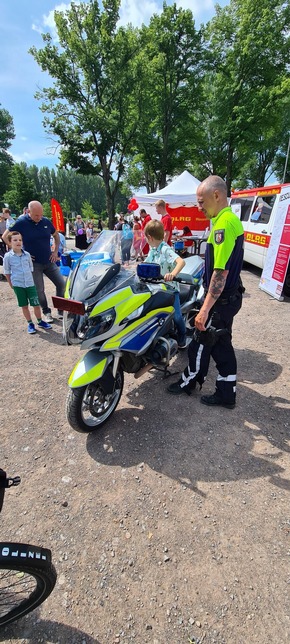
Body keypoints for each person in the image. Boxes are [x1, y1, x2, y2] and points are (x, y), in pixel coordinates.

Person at [167, 175, 244, 408]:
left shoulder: (223, 225)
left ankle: (189, 382)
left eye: (201, 201)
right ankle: (226, 392)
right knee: (222, 344)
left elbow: (220, 274)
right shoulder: (229, 219)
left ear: (217, 195)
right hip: (229, 297)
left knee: (200, 342)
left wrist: (205, 310)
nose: (198, 207)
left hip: (220, 300)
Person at [2, 200, 65, 323]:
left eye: (41, 214)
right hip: (33, 264)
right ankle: (46, 312)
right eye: (36, 215)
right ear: (28, 211)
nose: (39, 217)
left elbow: (56, 235)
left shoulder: (45, 221)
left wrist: (55, 251)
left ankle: (61, 310)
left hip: (49, 260)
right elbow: (5, 236)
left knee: (61, 284)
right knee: (39, 290)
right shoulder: (20, 222)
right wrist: (18, 251)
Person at [144, 219, 187, 349]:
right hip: (155, 289)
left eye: (145, 237)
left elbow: (181, 262)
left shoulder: (165, 249)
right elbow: (146, 264)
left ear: (150, 237)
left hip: (170, 290)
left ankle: (183, 336)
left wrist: (172, 274)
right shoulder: (153, 250)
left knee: (177, 316)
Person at [3, 231, 52, 334]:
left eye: (20, 240)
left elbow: (31, 268)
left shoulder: (27, 255)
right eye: (15, 240)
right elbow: (7, 271)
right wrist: (11, 283)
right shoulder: (8, 257)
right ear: (10, 242)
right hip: (18, 285)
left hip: (30, 284)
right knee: (24, 305)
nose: (18, 242)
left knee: (36, 304)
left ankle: (40, 321)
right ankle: (30, 323)